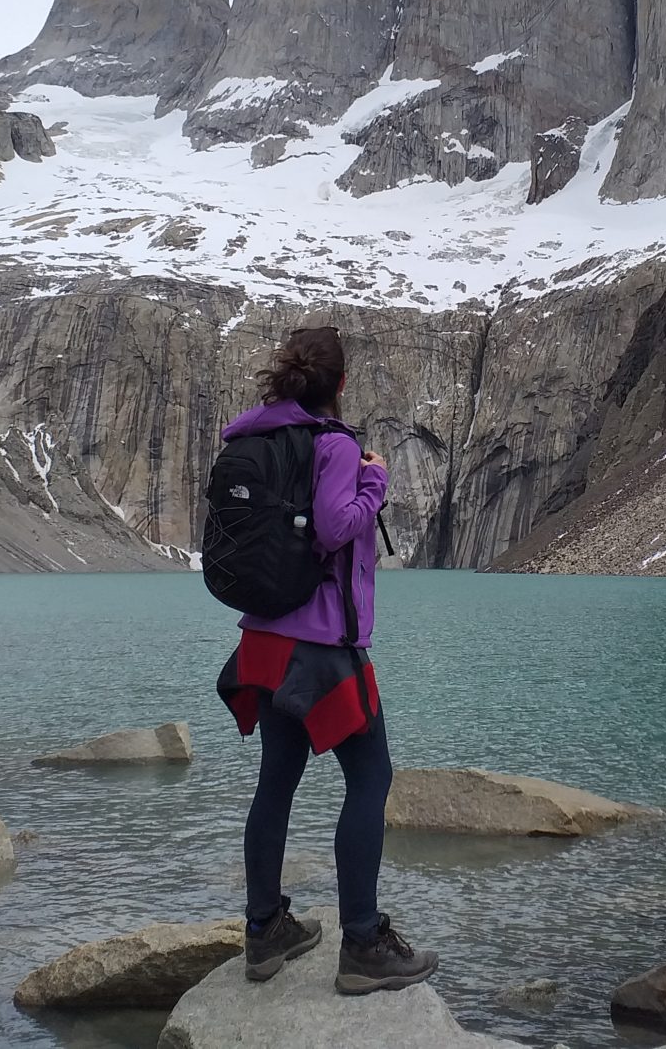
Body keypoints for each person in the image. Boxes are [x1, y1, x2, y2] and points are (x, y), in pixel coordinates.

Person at [214, 324, 440, 995]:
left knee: (276, 782)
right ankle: (364, 944)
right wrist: (374, 482)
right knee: (372, 777)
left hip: (262, 642)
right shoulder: (335, 445)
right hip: (321, 649)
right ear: (339, 386)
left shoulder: (249, 439)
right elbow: (337, 526)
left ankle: (265, 930)